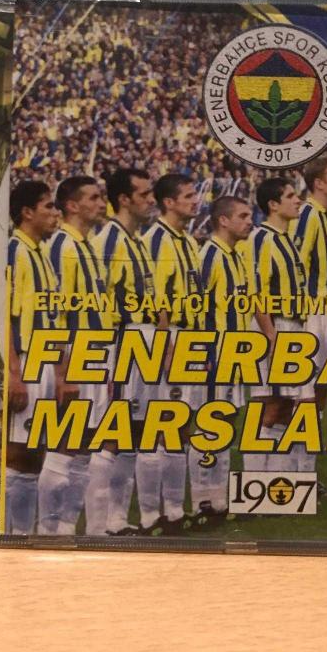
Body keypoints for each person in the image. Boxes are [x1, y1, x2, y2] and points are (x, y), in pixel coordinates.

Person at [88, 167, 157, 536]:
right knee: (113, 430)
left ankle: (117, 519)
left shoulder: (138, 241)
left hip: (142, 341)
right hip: (120, 343)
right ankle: (99, 525)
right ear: (124, 199)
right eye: (144, 194)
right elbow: (99, 301)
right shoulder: (109, 241)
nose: (151, 200)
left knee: (135, 431)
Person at [41, 175, 112, 534]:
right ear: (72, 205)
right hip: (74, 353)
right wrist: (62, 371)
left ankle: (68, 528)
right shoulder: (61, 246)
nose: (101, 203)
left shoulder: (88, 245)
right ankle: (46, 528)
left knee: (86, 446)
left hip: (97, 353)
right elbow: (55, 313)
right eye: (94, 198)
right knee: (65, 443)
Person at [140, 173, 203, 535]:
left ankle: (175, 510)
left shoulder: (188, 241)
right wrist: (166, 347)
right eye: (189, 196)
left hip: (189, 336)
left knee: (182, 423)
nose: (196, 201)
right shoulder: (156, 240)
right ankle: (151, 514)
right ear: (169, 202)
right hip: (169, 337)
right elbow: (158, 299)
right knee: (162, 422)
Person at [5, 180, 64, 534]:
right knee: (17, 451)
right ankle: (10, 532)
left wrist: (59, 372)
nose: (55, 213)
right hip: (25, 360)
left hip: (44, 361)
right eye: (48, 206)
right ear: (27, 212)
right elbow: (6, 317)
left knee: (34, 453)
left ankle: (23, 533)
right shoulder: (15, 250)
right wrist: (14, 374)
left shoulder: (40, 252)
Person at [192, 195, 253, 527]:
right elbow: (196, 307)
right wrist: (202, 352)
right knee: (209, 425)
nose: (249, 221)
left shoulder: (236, 255)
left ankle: (219, 496)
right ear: (223, 220)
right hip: (214, 354)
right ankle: (201, 499)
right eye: (243, 216)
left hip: (235, 353)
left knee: (226, 423)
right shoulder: (209, 256)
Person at [245, 177, 309, 473]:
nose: (298, 200)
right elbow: (256, 292)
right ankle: (255, 478)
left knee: (285, 405)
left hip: (292, 326)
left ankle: (278, 478)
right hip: (274, 326)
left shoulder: (286, 239)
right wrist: (271, 336)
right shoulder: (262, 238)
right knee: (269, 405)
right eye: (290, 196)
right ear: (273, 204)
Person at [290, 157, 327, 475]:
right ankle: (298, 473)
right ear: (319, 183)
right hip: (311, 315)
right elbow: (296, 267)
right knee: (306, 394)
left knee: (321, 392)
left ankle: (308, 472)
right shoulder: (307, 215)